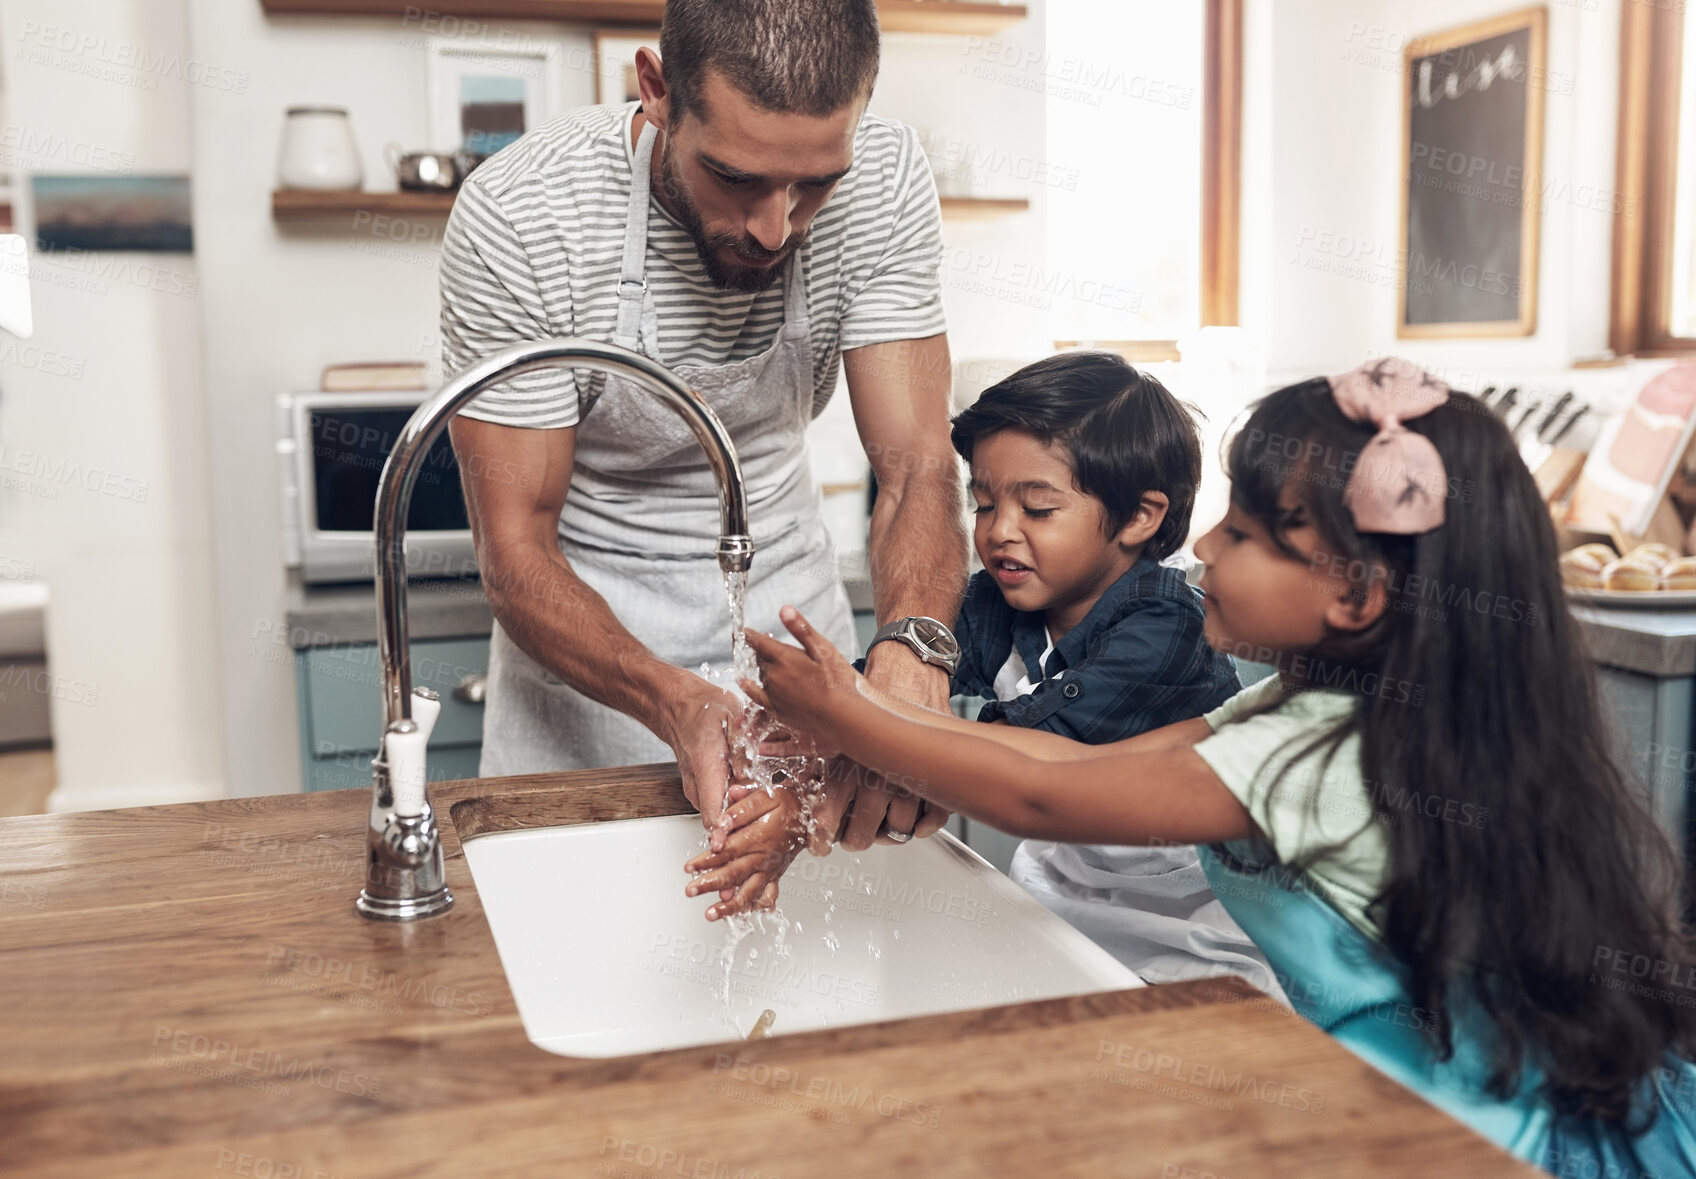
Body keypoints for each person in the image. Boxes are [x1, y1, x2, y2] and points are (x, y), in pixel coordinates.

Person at [734, 359, 1696, 1171]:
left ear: (1357, 593)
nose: (1204, 546)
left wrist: (856, 717)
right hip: (1402, 1109)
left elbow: (1046, 789)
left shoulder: (1317, 755)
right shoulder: (1306, 713)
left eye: (1241, 533)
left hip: (1470, 1145)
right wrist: (857, 718)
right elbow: (1032, 754)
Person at [441, 0, 969, 873]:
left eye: (814, 186)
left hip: (797, 636)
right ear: (656, 93)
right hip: (589, 670)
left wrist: (913, 657)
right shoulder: (524, 216)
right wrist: (675, 700)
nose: (776, 225)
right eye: (737, 178)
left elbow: (917, 468)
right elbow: (516, 551)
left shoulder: (882, 177)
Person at [689, 351, 1275, 1003]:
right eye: (985, 503)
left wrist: (830, 755)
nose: (999, 532)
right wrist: (796, 727)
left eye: (1038, 509)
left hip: (1200, 940)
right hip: (1070, 909)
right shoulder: (997, 604)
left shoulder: (1168, 630)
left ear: (1140, 516)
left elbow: (1010, 754)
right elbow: (897, 699)